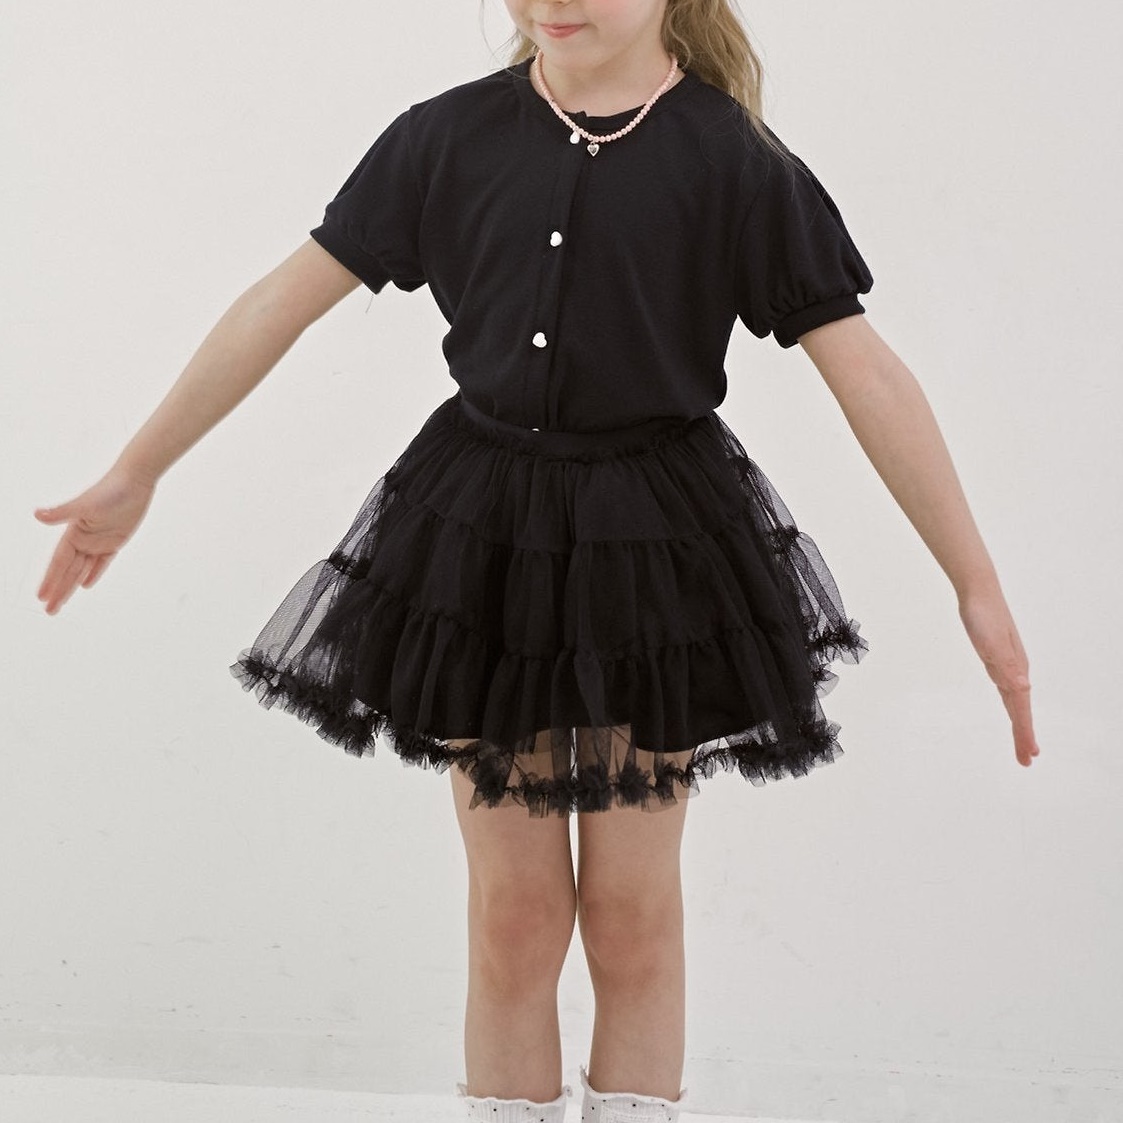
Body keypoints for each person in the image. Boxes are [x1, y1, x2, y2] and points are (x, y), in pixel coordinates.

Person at [33, 1, 1042, 1120]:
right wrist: (138, 469)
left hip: (649, 552)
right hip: (487, 544)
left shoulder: (735, 162)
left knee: (630, 913)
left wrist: (974, 581)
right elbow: (281, 301)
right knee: (512, 914)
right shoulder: (444, 137)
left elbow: (868, 373)